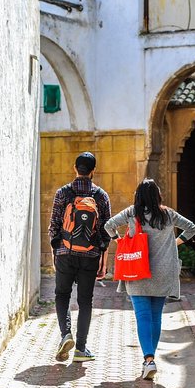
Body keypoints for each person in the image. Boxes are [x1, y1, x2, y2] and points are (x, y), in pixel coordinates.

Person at [104, 178, 195, 380]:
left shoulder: (131, 213)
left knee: (143, 317)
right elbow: (192, 228)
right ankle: (150, 360)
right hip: (163, 273)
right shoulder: (168, 214)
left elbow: (109, 225)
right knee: (156, 317)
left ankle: (149, 360)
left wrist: (120, 241)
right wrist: (175, 242)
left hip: (137, 271)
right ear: (157, 195)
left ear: (138, 196)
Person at [49, 151, 111, 363]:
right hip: (90, 255)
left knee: (62, 295)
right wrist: (104, 261)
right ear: (94, 171)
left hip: (65, 252)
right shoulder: (100, 195)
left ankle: (66, 334)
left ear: (75, 168)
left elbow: (54, 227)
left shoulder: (63, 193)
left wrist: (55, 253)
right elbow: (105, 231)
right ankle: (81, 349)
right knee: (85, 301)